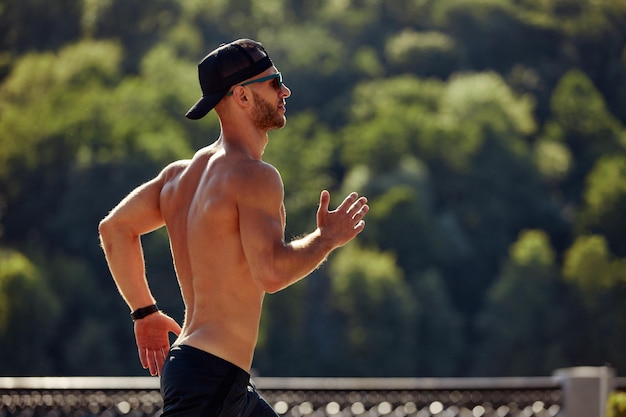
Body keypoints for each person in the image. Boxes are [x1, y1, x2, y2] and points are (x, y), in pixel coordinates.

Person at [98, 38, 369, 417]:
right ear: (241, 95)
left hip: (213, 376)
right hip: (210, 379)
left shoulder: (177, 178)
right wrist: (326, 240)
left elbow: (114, 229)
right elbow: (271, 273)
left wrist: (144, 313)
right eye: (274, 82)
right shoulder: (254, 177)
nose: (285, 90)